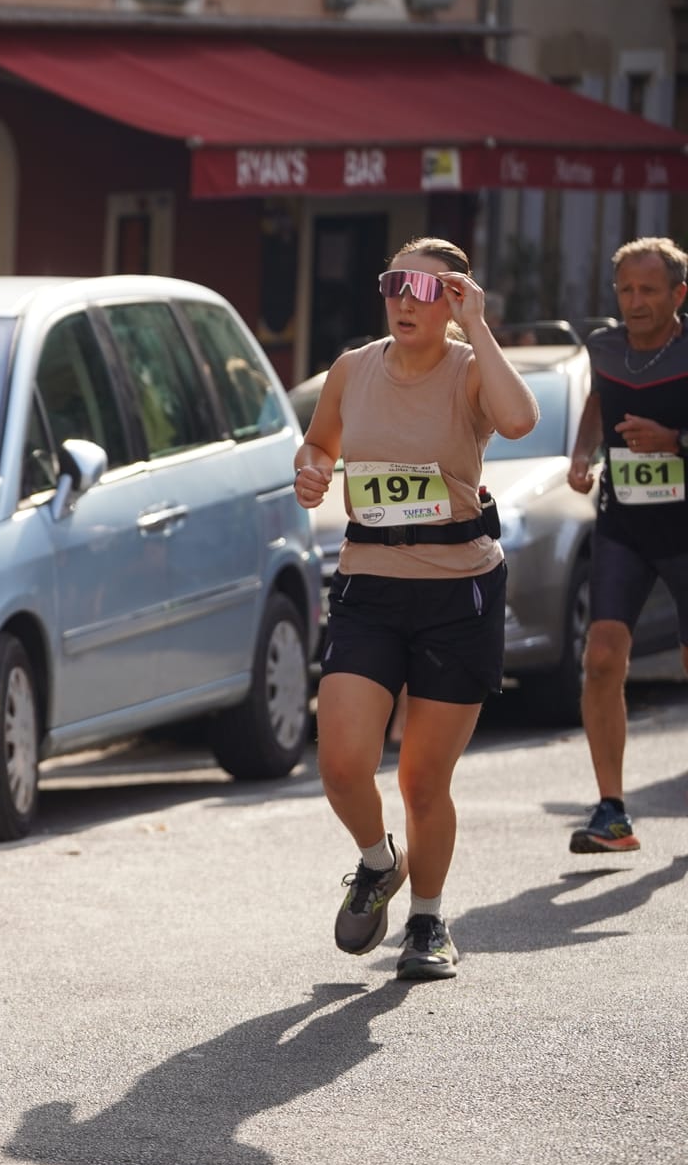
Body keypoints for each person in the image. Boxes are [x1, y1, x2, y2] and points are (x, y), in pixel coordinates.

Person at [294, 237, 538, 981]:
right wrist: (311, 472)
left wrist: (482, 329)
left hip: (456, 588)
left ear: (456, 300)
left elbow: (522, 419)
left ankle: (428, 921)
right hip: (369, 581)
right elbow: (318, 445)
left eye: (427, 290)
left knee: (424, 781)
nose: (405, 298)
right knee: (340, 763)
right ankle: (378, 862)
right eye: (396, 282)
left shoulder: (470, 372)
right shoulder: (351, 368)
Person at [564, 236, 688, 853]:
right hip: (625, 521)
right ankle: (611, 810)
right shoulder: (604, 345)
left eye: (648, 290)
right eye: (625, 289)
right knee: (603, 655)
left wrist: (674, 440)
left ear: (678, 294)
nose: (635, 302)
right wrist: (583, 452)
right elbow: (598, 400)